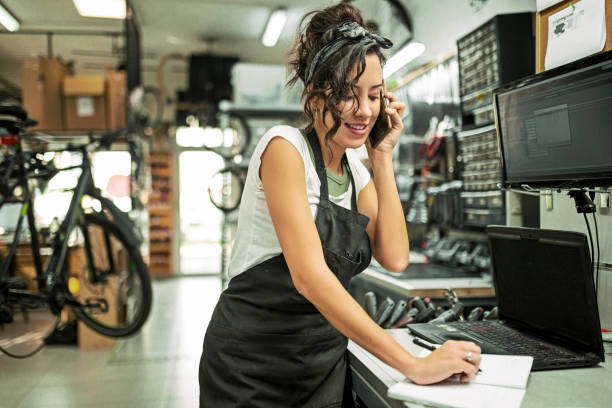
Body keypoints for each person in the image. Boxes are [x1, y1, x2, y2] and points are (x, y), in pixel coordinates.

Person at [199, 3, 481, 407]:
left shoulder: (358, 173)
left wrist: (381, 157)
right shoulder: (284, 149)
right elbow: (310, 279)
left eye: (374, 95)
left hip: (321, 364)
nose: (364, 110)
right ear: (316, 96)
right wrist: (412, 364)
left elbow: (396, 256)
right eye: (348, 94)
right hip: (251, 366)